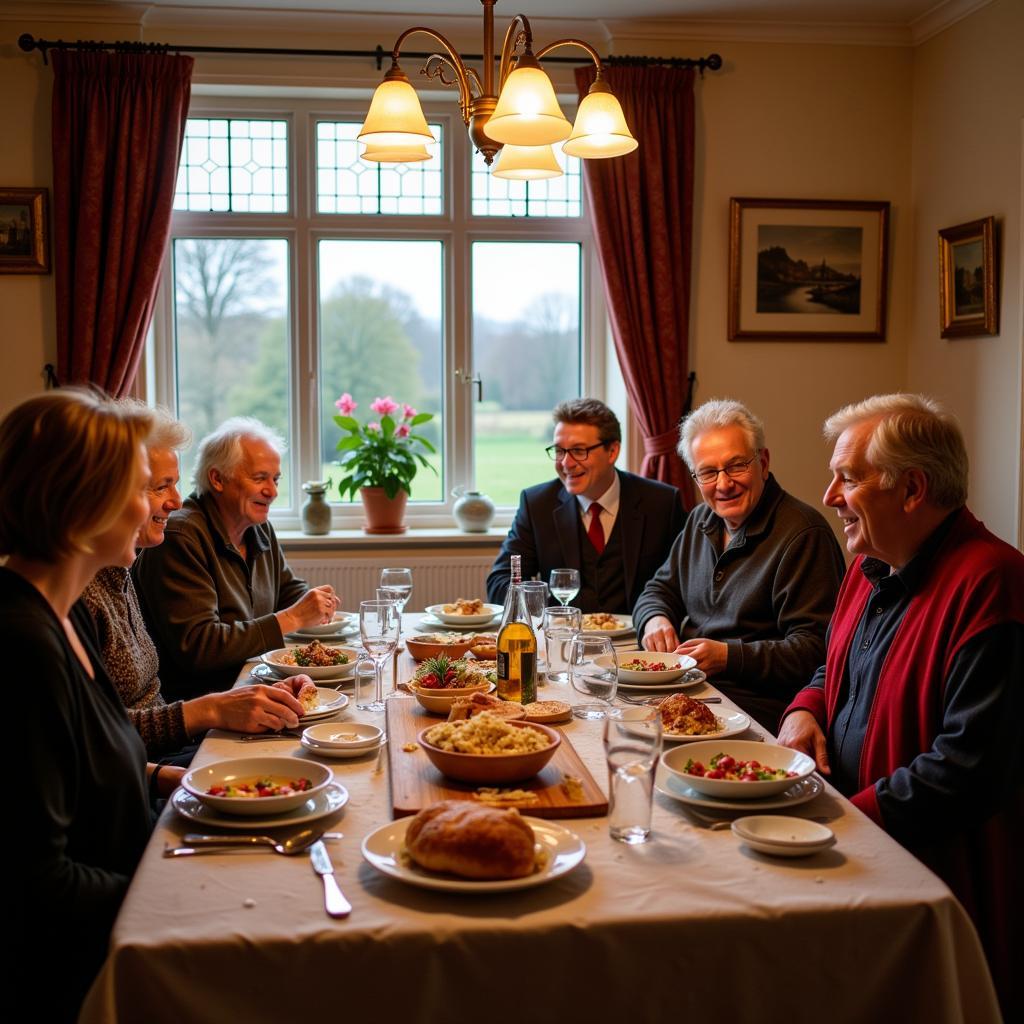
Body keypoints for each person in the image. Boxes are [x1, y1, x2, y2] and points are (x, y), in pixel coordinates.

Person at [777, 393, 1022, 1017]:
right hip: (858, 846)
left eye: (848, 479)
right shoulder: (871, 566)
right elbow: (835, 663)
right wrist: (805, 708)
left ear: (912, 489)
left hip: (933, 877)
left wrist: (840, 823)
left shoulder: (993, 583)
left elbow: (968, 769)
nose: (829, 497)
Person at [4, 389, 171, 1021]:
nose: (152, 506)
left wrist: (162, 779)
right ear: (81, 503)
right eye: (139, 487)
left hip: (126, 915)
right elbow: (36, 880)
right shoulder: (19, 644)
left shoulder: (63, 616)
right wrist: (172, 896)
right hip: (78, 974)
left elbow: (82, 768)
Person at [81, 407, 309, 757]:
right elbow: (89, 740)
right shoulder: (178, 537)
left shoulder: (117, 574)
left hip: (172, 745)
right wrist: (212, 711)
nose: (175, 502)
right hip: (166, 750)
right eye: (160, 487)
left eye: (276, 480)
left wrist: (264, 686)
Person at [633, 398, 845, 725]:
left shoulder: (803, 533)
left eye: (736, 466)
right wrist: (654, 619)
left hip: (757, 710)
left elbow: (818, 651)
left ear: (763, 461)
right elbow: (659, 589)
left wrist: (729, 657)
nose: (723, 484)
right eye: (708, 472)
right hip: (692, 691)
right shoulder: (701, 519)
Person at [133, 417, 338, 700]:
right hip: (202, 708)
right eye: (259, 478)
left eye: (275, 479)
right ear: (217, 479)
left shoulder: (257, 527)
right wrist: (293, 618)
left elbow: (288, 591)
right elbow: (200, 647)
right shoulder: (180, 536)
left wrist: (319, 605)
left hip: (252, 684)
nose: (273, 491)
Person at [485, 399, 685, 613]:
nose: (566, 463)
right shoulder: (537, 504)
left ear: (612, 452)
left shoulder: (662, 503)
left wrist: (656, 617)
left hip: (639, 640)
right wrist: (546, 612)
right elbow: (500, 580)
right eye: (559, 451)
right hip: (563, 639)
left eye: (579, 451)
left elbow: (684, 583)